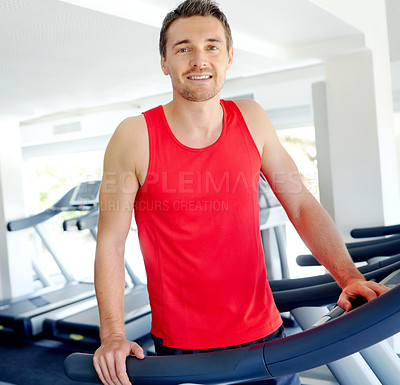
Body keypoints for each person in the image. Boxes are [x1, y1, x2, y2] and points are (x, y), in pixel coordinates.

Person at [92, 1, 389, 384]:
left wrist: (348, 276)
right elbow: (111, 243)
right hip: (184, 350)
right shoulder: (133, 137)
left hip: (266, 336)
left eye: (212, 46)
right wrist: (113, 335)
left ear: (229, 56)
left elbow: (299, 203)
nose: (199, 60)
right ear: (164, 61)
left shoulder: (252, 119)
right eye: (183, 48)